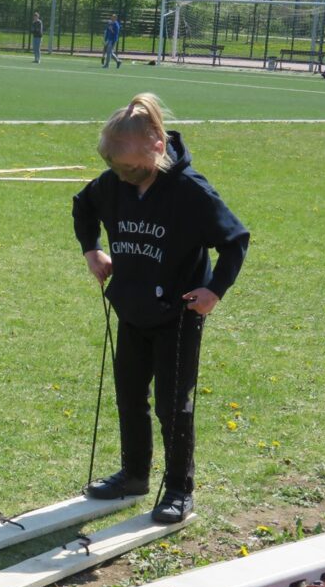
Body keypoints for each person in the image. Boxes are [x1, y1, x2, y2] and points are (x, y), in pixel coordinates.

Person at [71, 93, 249, 524]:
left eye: (129, 168)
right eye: (115, 167)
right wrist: (92, 250)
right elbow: (83, 206)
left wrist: (214, 291)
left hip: (178, 317)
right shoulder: (113, 185)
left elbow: (234, 241)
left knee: (173, 407)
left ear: (157, 145)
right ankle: (134, 475)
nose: (122, 175)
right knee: (130, 397)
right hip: (131, 310)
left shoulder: (191, 192)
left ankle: (179, 489)